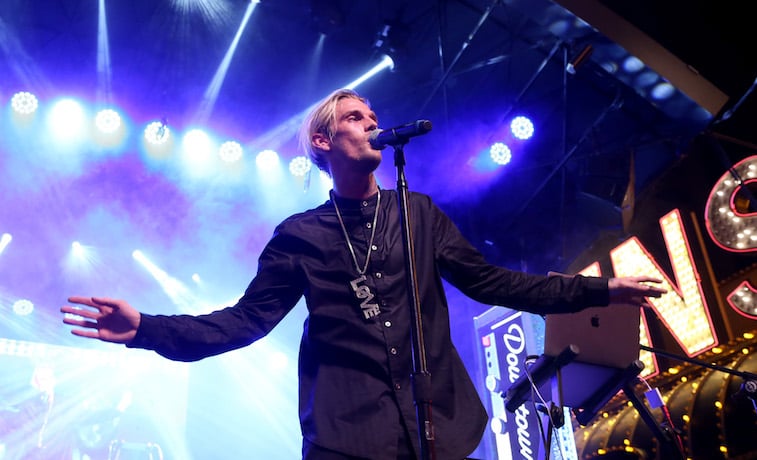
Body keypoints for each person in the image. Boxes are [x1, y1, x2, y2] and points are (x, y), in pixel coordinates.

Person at [61, 88, 666, 460]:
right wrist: (147, 328)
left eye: (374, 115)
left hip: (437, 430)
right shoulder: (300, 237)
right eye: (355, 116)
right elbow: (244, 323)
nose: (371, 122)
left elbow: (495, 283)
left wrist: (600, 289)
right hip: (346, 437)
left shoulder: (419, 213)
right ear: (323, 141)